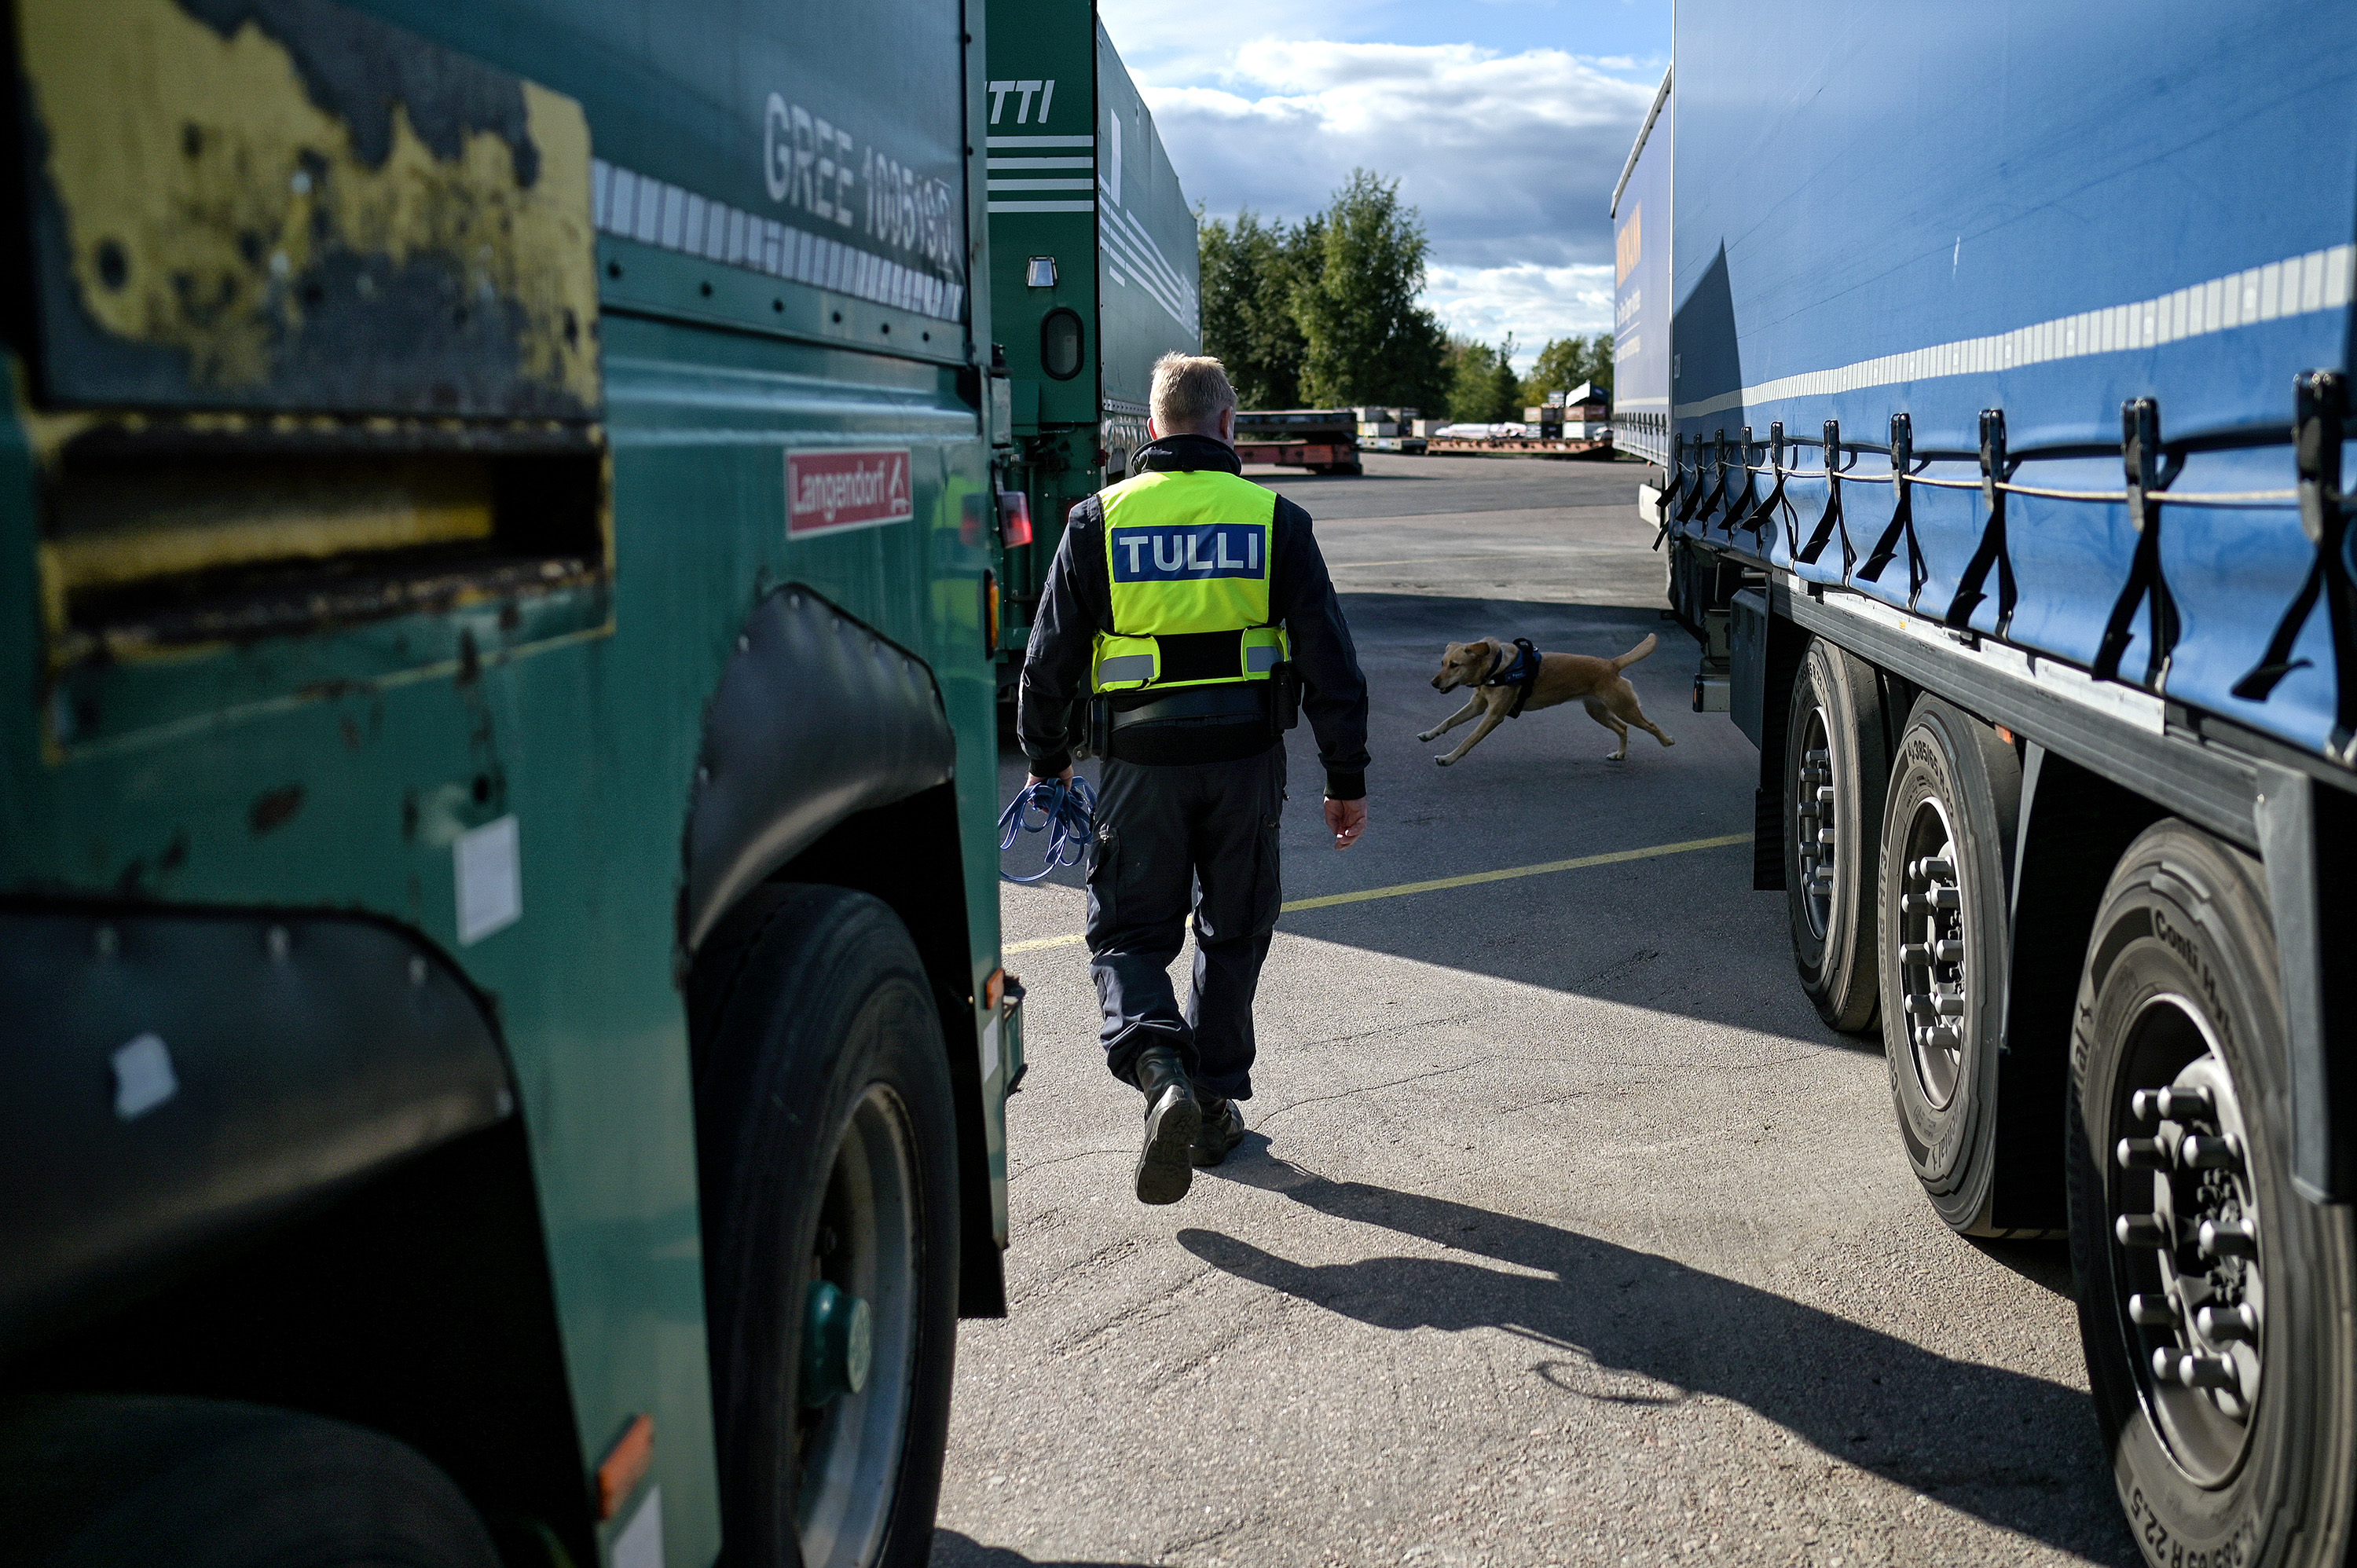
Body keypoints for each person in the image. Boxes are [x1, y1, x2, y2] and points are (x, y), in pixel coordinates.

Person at [1017, 353, 1371, 1205]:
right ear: (1228, 425)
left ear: (1150, 427)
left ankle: (1160, 1071)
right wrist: (1345, 775)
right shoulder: (1274, 519)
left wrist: (1048, 760)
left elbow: (1047, 663)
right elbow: (1331, 661)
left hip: (1141, 765)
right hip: (1247, 763)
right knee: (1234, 926)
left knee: (1130, 936)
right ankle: (1209, 1101)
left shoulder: (1096, 520)